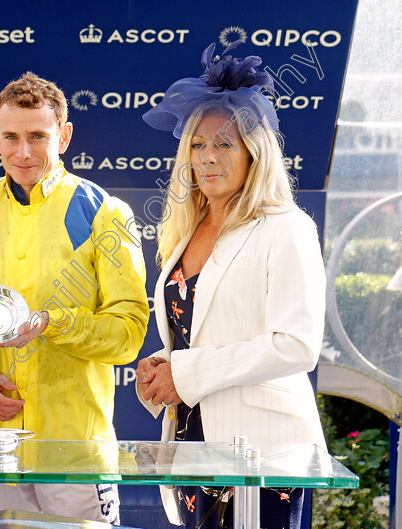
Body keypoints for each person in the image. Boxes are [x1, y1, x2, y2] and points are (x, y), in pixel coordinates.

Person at [0, 71, 149, 524]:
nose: (23, 152)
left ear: (64, 136)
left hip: (77, 453)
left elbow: (128, 332)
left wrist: (54, 322)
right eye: (11, 137)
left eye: (38, 136)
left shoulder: (106, 213)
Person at [135, 42, 327, 529]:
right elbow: (197, 333)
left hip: (263, 452)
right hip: (191, 442)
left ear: (254, 152)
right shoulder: (186, 229)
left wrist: (188, 371)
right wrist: (165, 365)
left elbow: (297, 346)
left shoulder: (287, 227)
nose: (208, 158)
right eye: (198, 145)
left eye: (224, 144)